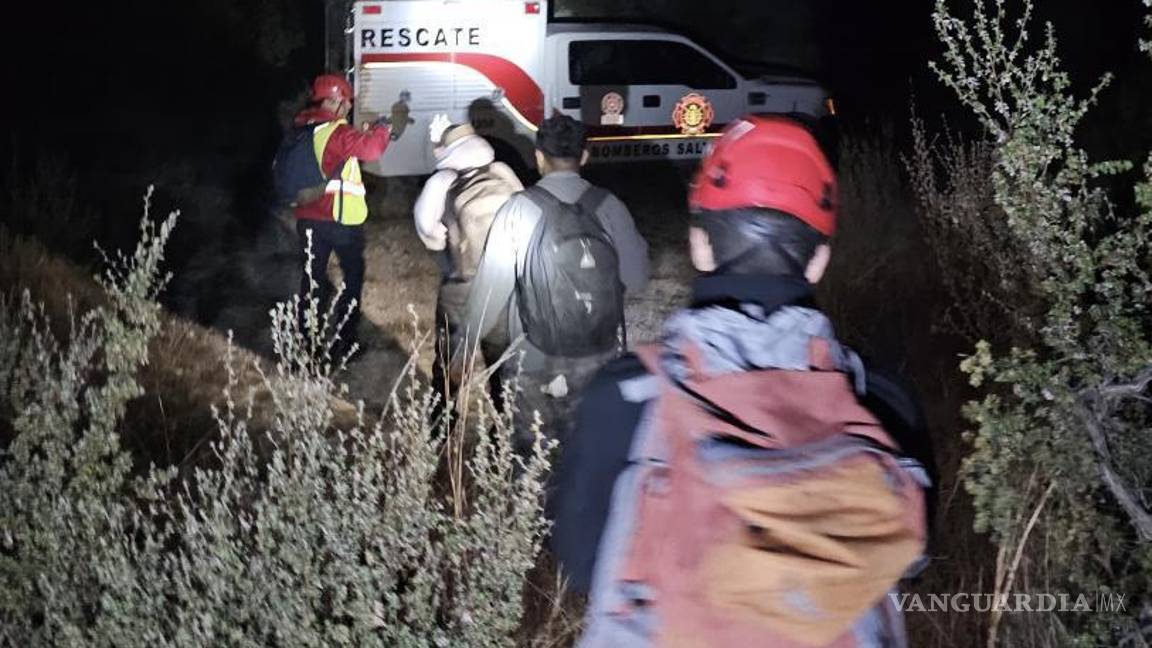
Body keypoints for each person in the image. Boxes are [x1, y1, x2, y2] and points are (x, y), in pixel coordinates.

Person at [550, 115, 935, 647]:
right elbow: (909, 555)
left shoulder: (627, 392)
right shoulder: (884, 400)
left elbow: (581, 560)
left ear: (699, 245)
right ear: (819, 261)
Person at [452, 114, 650, 450]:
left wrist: (464, 345)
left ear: (539, 157)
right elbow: (637, 277)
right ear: (584, 156)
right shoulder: (610, 206)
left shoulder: (519, 209)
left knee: (530, 454)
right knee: (591, 449)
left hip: (534, 358)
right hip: (599, 354)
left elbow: (490, 292)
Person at [412, 119, 523, 411]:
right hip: (504, 290)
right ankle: (504, 425)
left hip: (461, 292)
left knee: (450, 365)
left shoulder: (441, 182)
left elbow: (431, 236)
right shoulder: (502, 172)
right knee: (503, 366)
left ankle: (443, 424)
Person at [292, 73, 391, 357]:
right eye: (346, 102)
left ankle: (306, 347)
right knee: (352, 276)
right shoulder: (336, 131)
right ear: (333, 100)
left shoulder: (301, 127)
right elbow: (372, 149)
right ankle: (344, 342)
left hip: (307, 218)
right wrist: (382, 129)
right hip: (339, 220)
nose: (348, 107)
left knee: (312, 280)